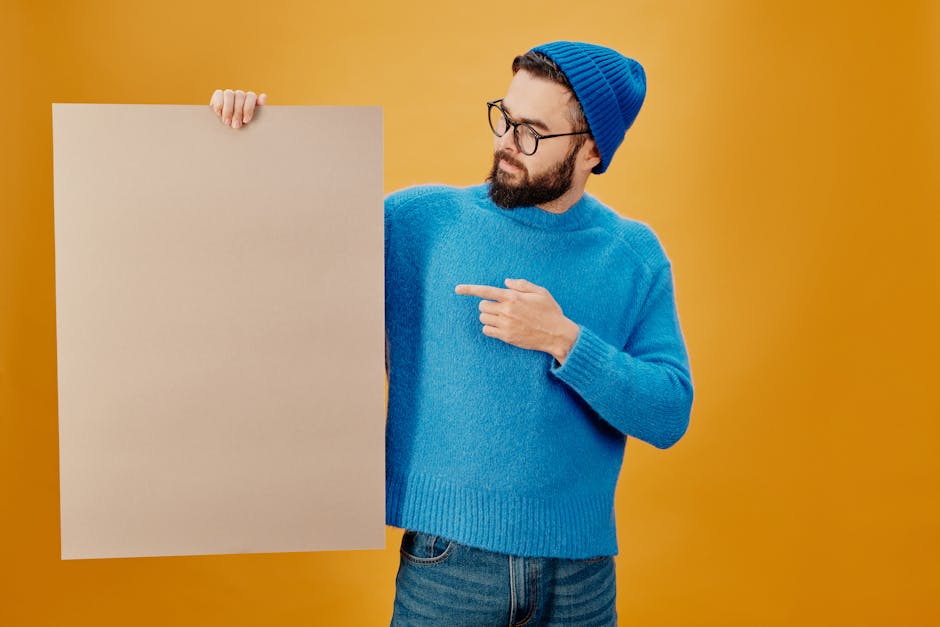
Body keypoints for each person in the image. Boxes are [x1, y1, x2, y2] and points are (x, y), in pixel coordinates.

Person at [210, 40, 694, 626]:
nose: (506, 143)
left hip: (582, 579)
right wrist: (246, 140)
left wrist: (566, 340)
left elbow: (669, 414)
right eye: (504, 118)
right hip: (450, 568)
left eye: (532, 131)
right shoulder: (418, 222)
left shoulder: (633, 254)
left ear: (592, 150)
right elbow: (286, 252)